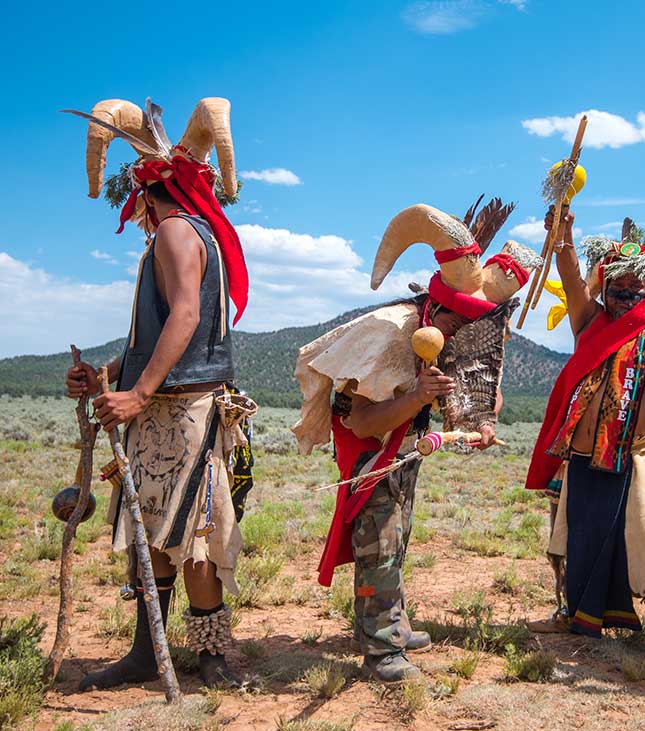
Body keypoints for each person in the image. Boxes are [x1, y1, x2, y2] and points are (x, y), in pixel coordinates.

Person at [293, 200, 539, 682]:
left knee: (396, 539)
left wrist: (480, 424)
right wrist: (417, 397)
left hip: (405, 455)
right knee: (379, 542)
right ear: (438, 307)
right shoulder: (391, 333)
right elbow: (362, 423)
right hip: (373, 457)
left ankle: (392, 622)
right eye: (455, 324)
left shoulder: (458, 340)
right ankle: (382, 647)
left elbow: (477, 398)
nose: (459, 335)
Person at [64, 97, 253, 690]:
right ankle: (153, 653)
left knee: (192, 539)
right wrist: (109, 375)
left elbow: (187, 317)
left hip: (182, 411)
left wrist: (139, 394)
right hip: (171, 406)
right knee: (155, 533)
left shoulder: (173, 231)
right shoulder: (194, 234)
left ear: (148, 196)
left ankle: (209, 656)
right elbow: (160, 329)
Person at [524, 210, 645, 677]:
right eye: (615, 288)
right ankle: (573, 614)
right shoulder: (590, 322)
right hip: (582, 458)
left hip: (635, 455)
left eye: (633, 290)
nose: (622, 298)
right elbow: (570, 279)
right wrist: (562, 236)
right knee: (571, 537)